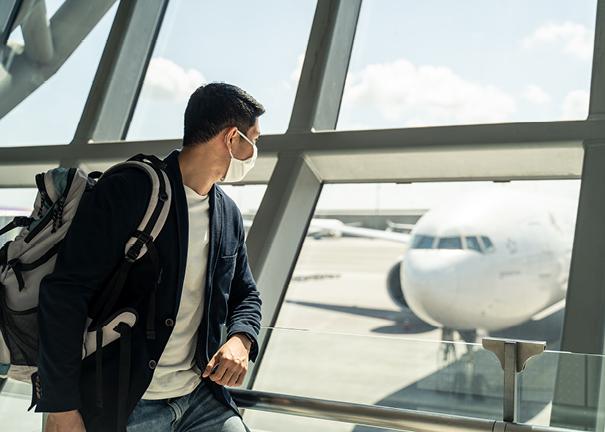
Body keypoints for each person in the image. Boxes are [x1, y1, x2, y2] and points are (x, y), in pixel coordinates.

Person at [35, 83, 264, 431]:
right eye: (254, 141)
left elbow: (246, 293)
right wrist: (61, 406)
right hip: (126, 404)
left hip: (201, 398)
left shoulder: (227, 214)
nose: (255, 152)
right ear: (232, 138)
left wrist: (241, 338)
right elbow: (65, 294)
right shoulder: (131, 190)